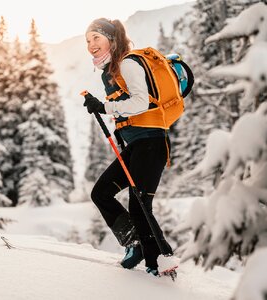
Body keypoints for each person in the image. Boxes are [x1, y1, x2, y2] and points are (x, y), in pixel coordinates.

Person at [83, 18, 173, 276]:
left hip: (151, 143)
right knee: (101, 193)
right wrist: (102, 107)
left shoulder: (128, 63)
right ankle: (135, 244)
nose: (91, 45)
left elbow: (141, 102)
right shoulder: (110, 72)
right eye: (88, 41)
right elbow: (125, 109)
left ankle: (159, 264)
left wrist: (105, 107)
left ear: (111, 39)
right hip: (135, 145)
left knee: (140, 204)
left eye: (96, 38)